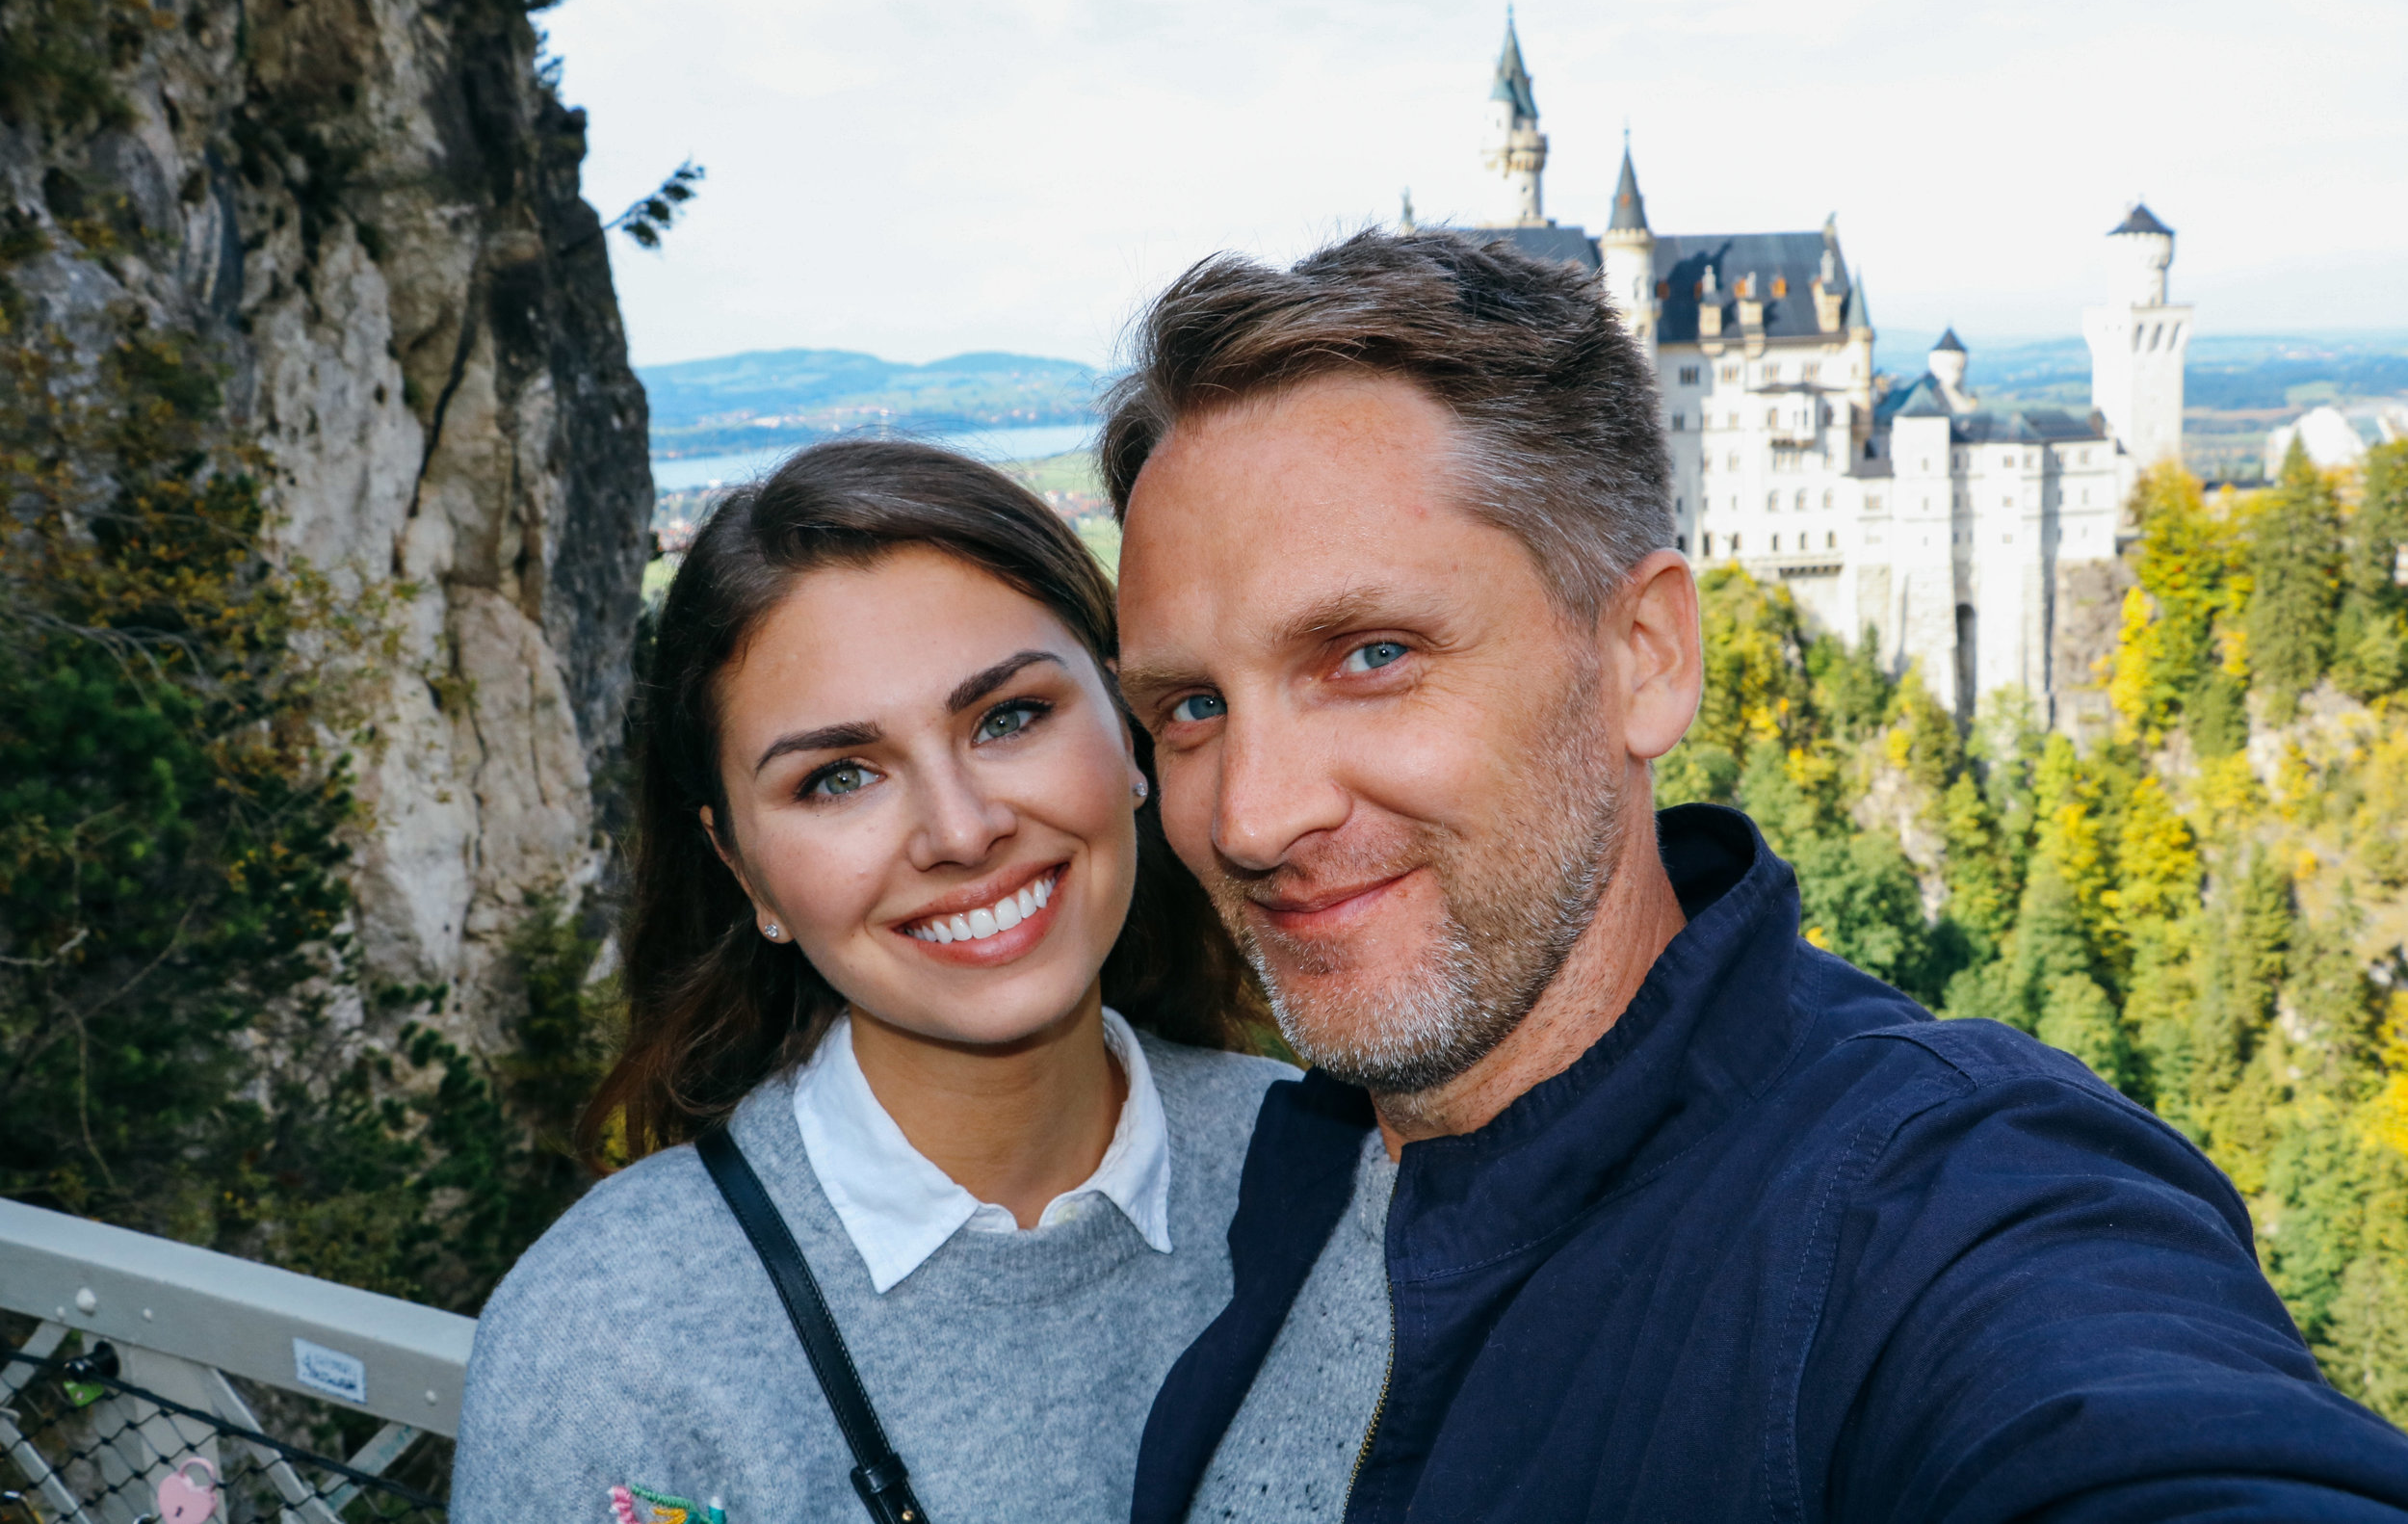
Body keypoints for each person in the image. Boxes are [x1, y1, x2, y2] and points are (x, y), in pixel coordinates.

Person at [1101, 230, 2408, 1522]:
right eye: (1191, 704)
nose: (1255, 814)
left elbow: (2135, 1426)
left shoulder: (1928, 1196)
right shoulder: (1275, 1174)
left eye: (1373, 652)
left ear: (1650, 654)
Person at [453, 440, 1293, 1524]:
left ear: (1128, 729)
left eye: (1009, 717)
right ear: (741, 865)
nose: (960, 828)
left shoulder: (1334, 1175)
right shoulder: (608, 1343)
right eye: (837, 777)